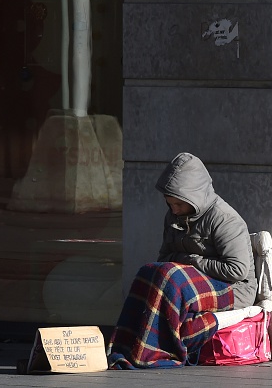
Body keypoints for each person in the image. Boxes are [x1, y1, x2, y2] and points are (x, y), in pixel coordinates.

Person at [107, 152, 258, 369]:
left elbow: (237, 270)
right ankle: (126, 345)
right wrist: (183, 263)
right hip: (190, 282)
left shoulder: (225, 218)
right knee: (148, 272)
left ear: (194, 197)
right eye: (170, 204)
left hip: (234, 288)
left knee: (173, 276)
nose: (174, 209)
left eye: (179, 204)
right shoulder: (173, 216)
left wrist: (191, 261)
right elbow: (164, 258)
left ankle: (152, 352)